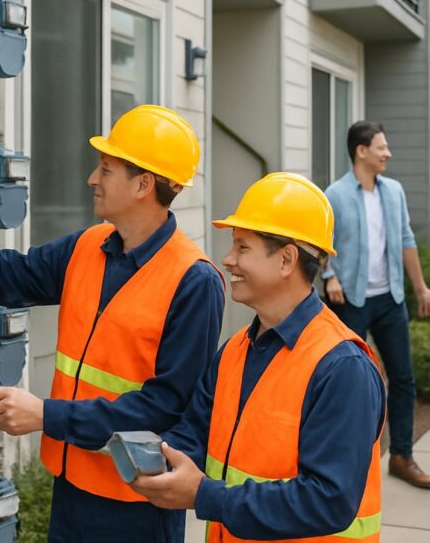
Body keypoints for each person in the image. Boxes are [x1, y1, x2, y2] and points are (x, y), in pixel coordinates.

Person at [0, 105, 225, 542]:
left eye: (106, 169)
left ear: (144, 184)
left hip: (137, 504)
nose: (92, 179)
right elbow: (3, 277)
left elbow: (166, 408)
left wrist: (46, 415)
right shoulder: (88, 247)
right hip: (72, 485)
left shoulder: (194, 281)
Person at [131, 172, 386, 542]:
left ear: (286, 260)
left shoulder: (343, 367)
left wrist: (205, 495)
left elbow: (328, 500)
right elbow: (195, 432)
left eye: (243, 247)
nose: (228, 259)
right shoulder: (236, 350)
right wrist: (156, 457)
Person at [323, 121, 430, 489]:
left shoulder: (394, 191)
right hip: (351, 301)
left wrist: (420, 288)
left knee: (403, 379)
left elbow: (405, 239)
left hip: (390, 299)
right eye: (382, 147)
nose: (388, 153)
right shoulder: (336, 194)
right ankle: (350, 461)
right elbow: (321, 240)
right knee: (351, 383)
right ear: (362, 151)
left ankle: (402, 456)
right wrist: (329, 275)